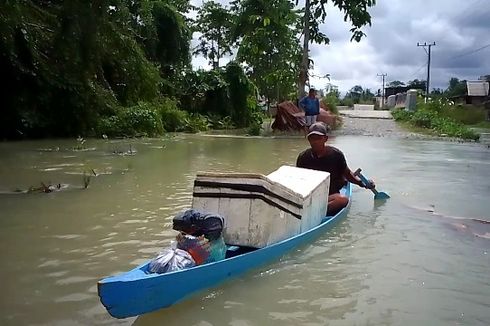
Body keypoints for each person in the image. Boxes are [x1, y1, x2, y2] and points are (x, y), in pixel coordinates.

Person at [296, 122, 375, 215]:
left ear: (325, 139)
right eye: (312, 139)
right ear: (308, 140)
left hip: (330, 196)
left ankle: (314, 214)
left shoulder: (336, 155)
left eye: (318, 138)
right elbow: (298, 181)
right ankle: (313, 212)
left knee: (342, 200)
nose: (315, 142)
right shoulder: (303, 157)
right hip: (310, 198)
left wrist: (362, 183)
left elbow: (347, 174)